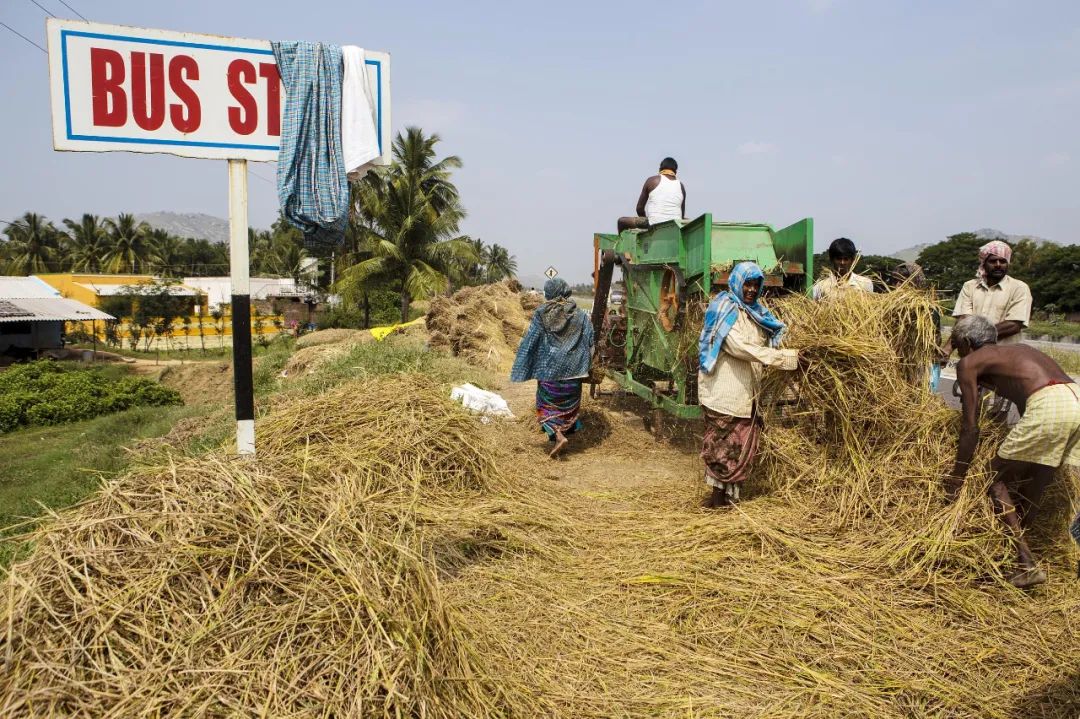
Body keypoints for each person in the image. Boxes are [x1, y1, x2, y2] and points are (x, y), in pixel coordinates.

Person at [944, 315, 1079, 588]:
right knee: (1037, 481)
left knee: (993, 478)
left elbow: (970, 428)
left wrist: (957, 476)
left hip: (1048, 403)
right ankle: (1020, 551)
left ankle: (1024, 562)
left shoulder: (969, 362)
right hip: (1074, 399)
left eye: (958, 346)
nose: (958, 353)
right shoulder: (1019, 350)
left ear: (968, 343)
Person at [698, 262, 799, 507]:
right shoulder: (723, 308)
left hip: (748, 395)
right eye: (747, 283)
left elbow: (771, 338)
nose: (752, 289)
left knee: (740, 449)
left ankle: (728, 501)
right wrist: (785, 358)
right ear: (736, 283)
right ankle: (716, 503)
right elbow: (740, 348)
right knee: (723, 449)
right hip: (724, 396)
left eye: (756, 285)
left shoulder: (757, 313)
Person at [511, 277, 595, 458]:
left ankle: (557, 435)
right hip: (574, 372)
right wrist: (588, 365)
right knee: (567, 408)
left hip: (549, 371)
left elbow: (531, 340)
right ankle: (563, 433)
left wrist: (522, 364)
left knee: (546, 406)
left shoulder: (542, 313)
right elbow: (590, 341)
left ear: (549, 293)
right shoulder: (580, 315)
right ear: (565, 291)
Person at [940, 240, 1032, 359]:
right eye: (993, 261)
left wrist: (975, 338)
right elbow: (963, 321)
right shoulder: (970, 286)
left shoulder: (1019, 288)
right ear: (984, 263)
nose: (998, 264)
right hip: (972, 358)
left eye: (1003, 261)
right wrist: (948, 348)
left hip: (1005, 359)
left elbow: (1014, 325)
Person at [889, 261, 942, 391]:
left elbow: (934, 342)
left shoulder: (928, 311)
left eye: (902, 282)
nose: (897, 286)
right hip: (892, 365)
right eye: (895, 281)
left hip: (918, 368)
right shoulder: (888, 308)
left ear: (916, 282)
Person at [617, 157, 686, 232]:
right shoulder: (681, 186)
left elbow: (639, 208)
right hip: (675, 226)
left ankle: (619, 243)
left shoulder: (652, 181)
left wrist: (644, 220)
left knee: (621, 221)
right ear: (675, 171)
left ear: (660, 169)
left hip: (654, 224)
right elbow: (681, 215)